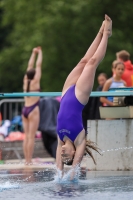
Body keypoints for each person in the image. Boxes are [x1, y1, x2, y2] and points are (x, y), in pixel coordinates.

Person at [56, 14, 112, 178]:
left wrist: (59, 174)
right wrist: (70, 176)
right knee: (92, 62)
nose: (63, 153)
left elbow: (58, 167)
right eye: (67, 155)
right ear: (74, 153)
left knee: (83, 61)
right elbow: (74, 169)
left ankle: (100, 31)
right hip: (79, 97)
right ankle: (107, 34)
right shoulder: (79, 138)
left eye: (62, 155)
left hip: (66, 92)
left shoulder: (60, 140)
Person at [22, 47, 43, 165]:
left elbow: (30, 67)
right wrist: (40, 52)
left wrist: (32, 53)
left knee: (26, 136)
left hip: (25, 109)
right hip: (33, 109)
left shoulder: (26, 80)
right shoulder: (35, 81)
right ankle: (29, 160)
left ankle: (26, 160)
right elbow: (38, 66)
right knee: (31, 137)